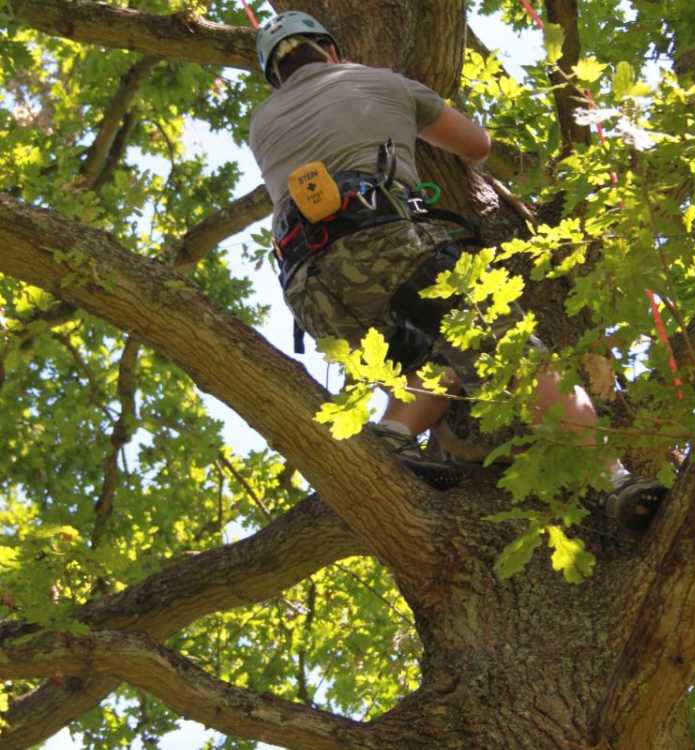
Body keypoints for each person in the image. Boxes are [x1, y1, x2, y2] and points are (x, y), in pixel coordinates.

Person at [248, 11, 666, 527]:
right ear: (330, 51)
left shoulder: (261, 123)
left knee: (435, 366)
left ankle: (391, 440)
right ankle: (612, 479)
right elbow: (475, 146)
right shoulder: (376, 81)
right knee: (517, 356)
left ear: (274, 74)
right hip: (387, 244)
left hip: (310, 288)